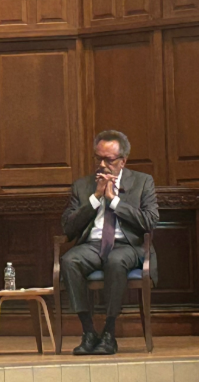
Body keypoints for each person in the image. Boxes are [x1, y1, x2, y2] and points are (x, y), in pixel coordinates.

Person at [60, 130, 159, 356]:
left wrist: (114, 201)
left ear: (123, 161)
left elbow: (150, 221)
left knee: (116, 260)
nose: (102, 164)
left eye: (109, 160)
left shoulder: (143, 182)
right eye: (98, 158)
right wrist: (95, 199)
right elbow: (68, 227)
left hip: (128, 245)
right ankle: (88, 332)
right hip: (93, 246)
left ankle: (109, 332)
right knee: (69, 260)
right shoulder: (82, 186)